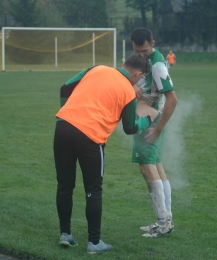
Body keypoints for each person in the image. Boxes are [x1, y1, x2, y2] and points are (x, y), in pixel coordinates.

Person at [53, 53, 151, 253]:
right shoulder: (128, 92)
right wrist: (147, 120)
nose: (140, 81)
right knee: (93, 190)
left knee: (64, 185)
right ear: (138, 74)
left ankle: (65, 234)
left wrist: (70, 112)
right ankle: (94, 242)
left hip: (63, 127)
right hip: (90, 137)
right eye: (142, 78)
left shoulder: (96, 68)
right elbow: (130, 127)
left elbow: (64, 87)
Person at [130, 28, 178, 237]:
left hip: (150, 120)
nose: (141, 55)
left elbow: (173, 99)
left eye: (144, 50)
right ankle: (166, 220)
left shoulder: (158, 64)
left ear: (153, 43)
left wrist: (157, 129)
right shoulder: (147, 60)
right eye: (137, 51)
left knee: (147, 167)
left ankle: (163, 222)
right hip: (150, 116)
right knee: (157, 166)